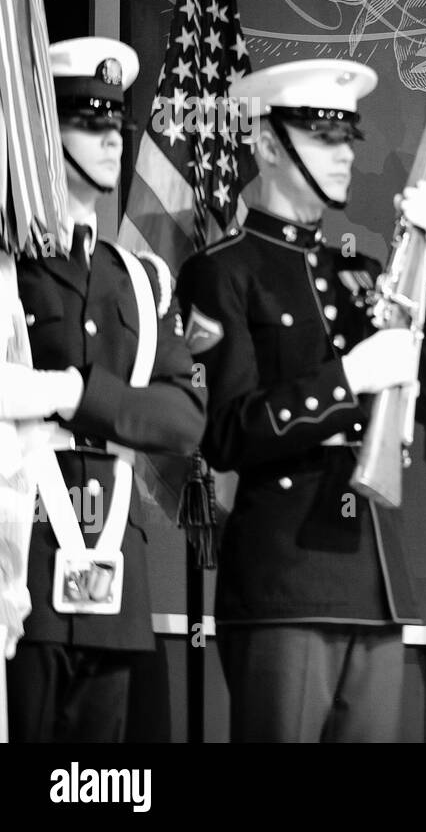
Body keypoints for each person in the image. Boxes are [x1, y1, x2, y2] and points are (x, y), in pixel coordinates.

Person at [175, 59, 426, 742]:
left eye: (347, 138)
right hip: (286, 578)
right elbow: (226, 431)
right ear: (270, 144)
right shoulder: (223, 272)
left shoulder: (364, 275)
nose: (344, 154)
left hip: (375, 579)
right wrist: (349, 379)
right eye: (322, 137)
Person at [2, 37, 205, 741]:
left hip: (114, 562)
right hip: (18, 556)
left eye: (116, 123)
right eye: (87, 121)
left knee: (106, 784)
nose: (112, 139)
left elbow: (183, 420)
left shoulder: (140, 278)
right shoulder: (9, 269)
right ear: (39, 133)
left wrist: (68, 389)